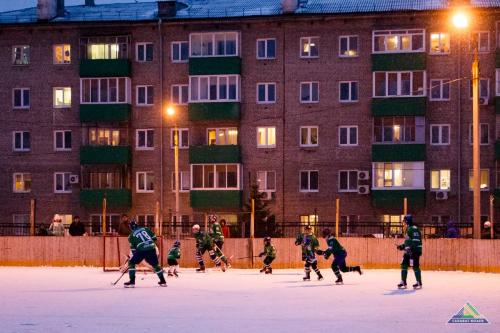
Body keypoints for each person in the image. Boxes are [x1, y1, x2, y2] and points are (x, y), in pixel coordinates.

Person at [124, 219, 166, 288]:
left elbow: (133, 250)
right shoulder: (145, 229)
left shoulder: (131, 236)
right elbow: (155, 239)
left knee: (131, 263)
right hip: (151, 248)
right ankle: (163, 281)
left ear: (130, 227)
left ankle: (132, 282)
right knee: (156, 265)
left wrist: (134, 257)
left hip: (141, 250)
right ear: (137, 225)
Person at [397, 215, 423, 289]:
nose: (404, 222)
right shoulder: (409, 229)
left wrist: (412, 249)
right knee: (404, 265)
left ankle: (419, 282)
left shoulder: (414, 229)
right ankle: (403, 281)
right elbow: (408, 241)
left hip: (414, 251)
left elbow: (416, 241)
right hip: (408, 251)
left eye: (405, 221)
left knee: (415, 266)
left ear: (408, 221)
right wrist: (402, 246)